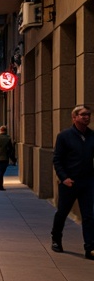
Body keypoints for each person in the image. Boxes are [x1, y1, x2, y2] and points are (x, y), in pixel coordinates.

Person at [50, 104, 94, 257]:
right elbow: (57, 159)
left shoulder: (92, 136)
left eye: (88, 114)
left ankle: (90, 248)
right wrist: (64, 178)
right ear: (74, 117)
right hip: (69, 182)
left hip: (87, 182)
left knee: (88, 215)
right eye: (83, 115)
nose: (87, 117)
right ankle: (56, 239)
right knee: (62, 212)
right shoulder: (64, 136)